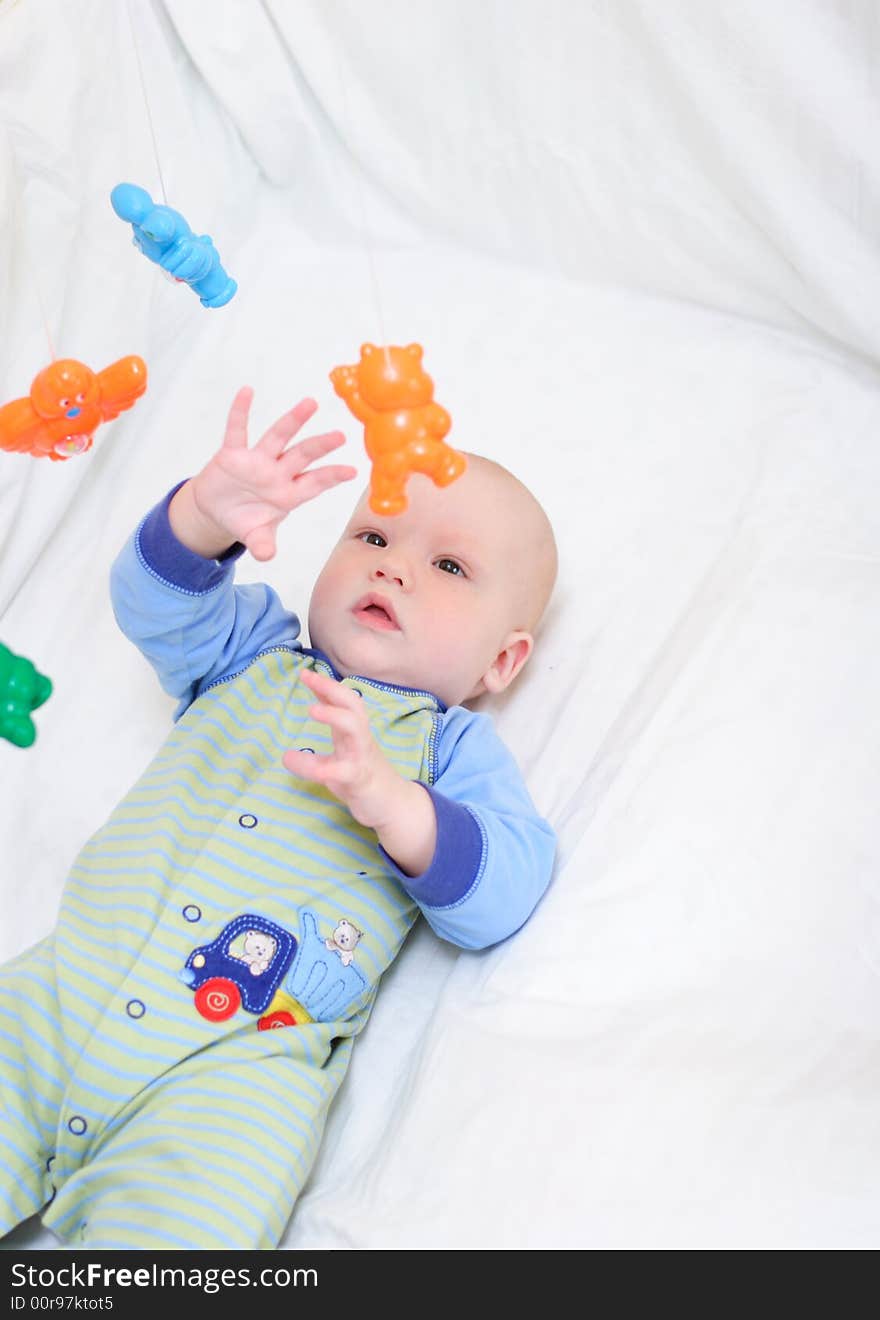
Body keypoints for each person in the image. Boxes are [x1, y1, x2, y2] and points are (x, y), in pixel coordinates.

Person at [0, 387, 558, 1250]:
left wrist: (393, 802)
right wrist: (202, 516)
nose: (393, 566)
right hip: (56, 1002)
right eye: (372, 536)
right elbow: (155, 606)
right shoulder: (251, 654)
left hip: (231, 1079)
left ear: (503, 660)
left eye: (450, 567)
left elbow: (506, 891)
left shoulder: (449, 755)